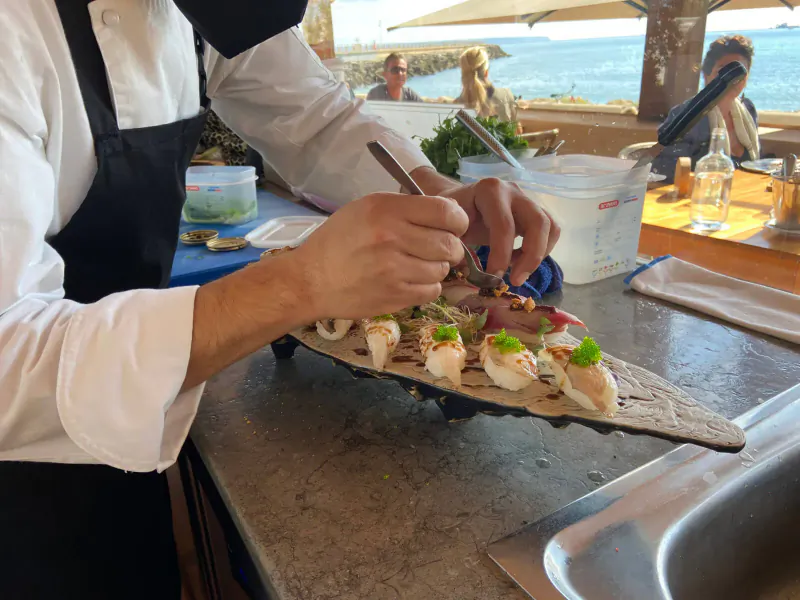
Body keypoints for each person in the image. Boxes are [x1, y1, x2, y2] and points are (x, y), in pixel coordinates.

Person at [0, 1, 560, 598]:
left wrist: (438, 197)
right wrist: (300, 283)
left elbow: (317, 119)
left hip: (143, 400)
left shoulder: (207, 12)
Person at [653, 35, 760, 180]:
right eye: (724, 71)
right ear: (706, 74)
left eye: (739, 72)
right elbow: (664, 168)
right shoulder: (687, 114)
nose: (733, 78)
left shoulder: (748, 110)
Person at [456, 46, 518, 123]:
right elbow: (515, 129)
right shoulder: (506, 95)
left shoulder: (456, 106)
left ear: (463, 74)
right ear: (486, 72)